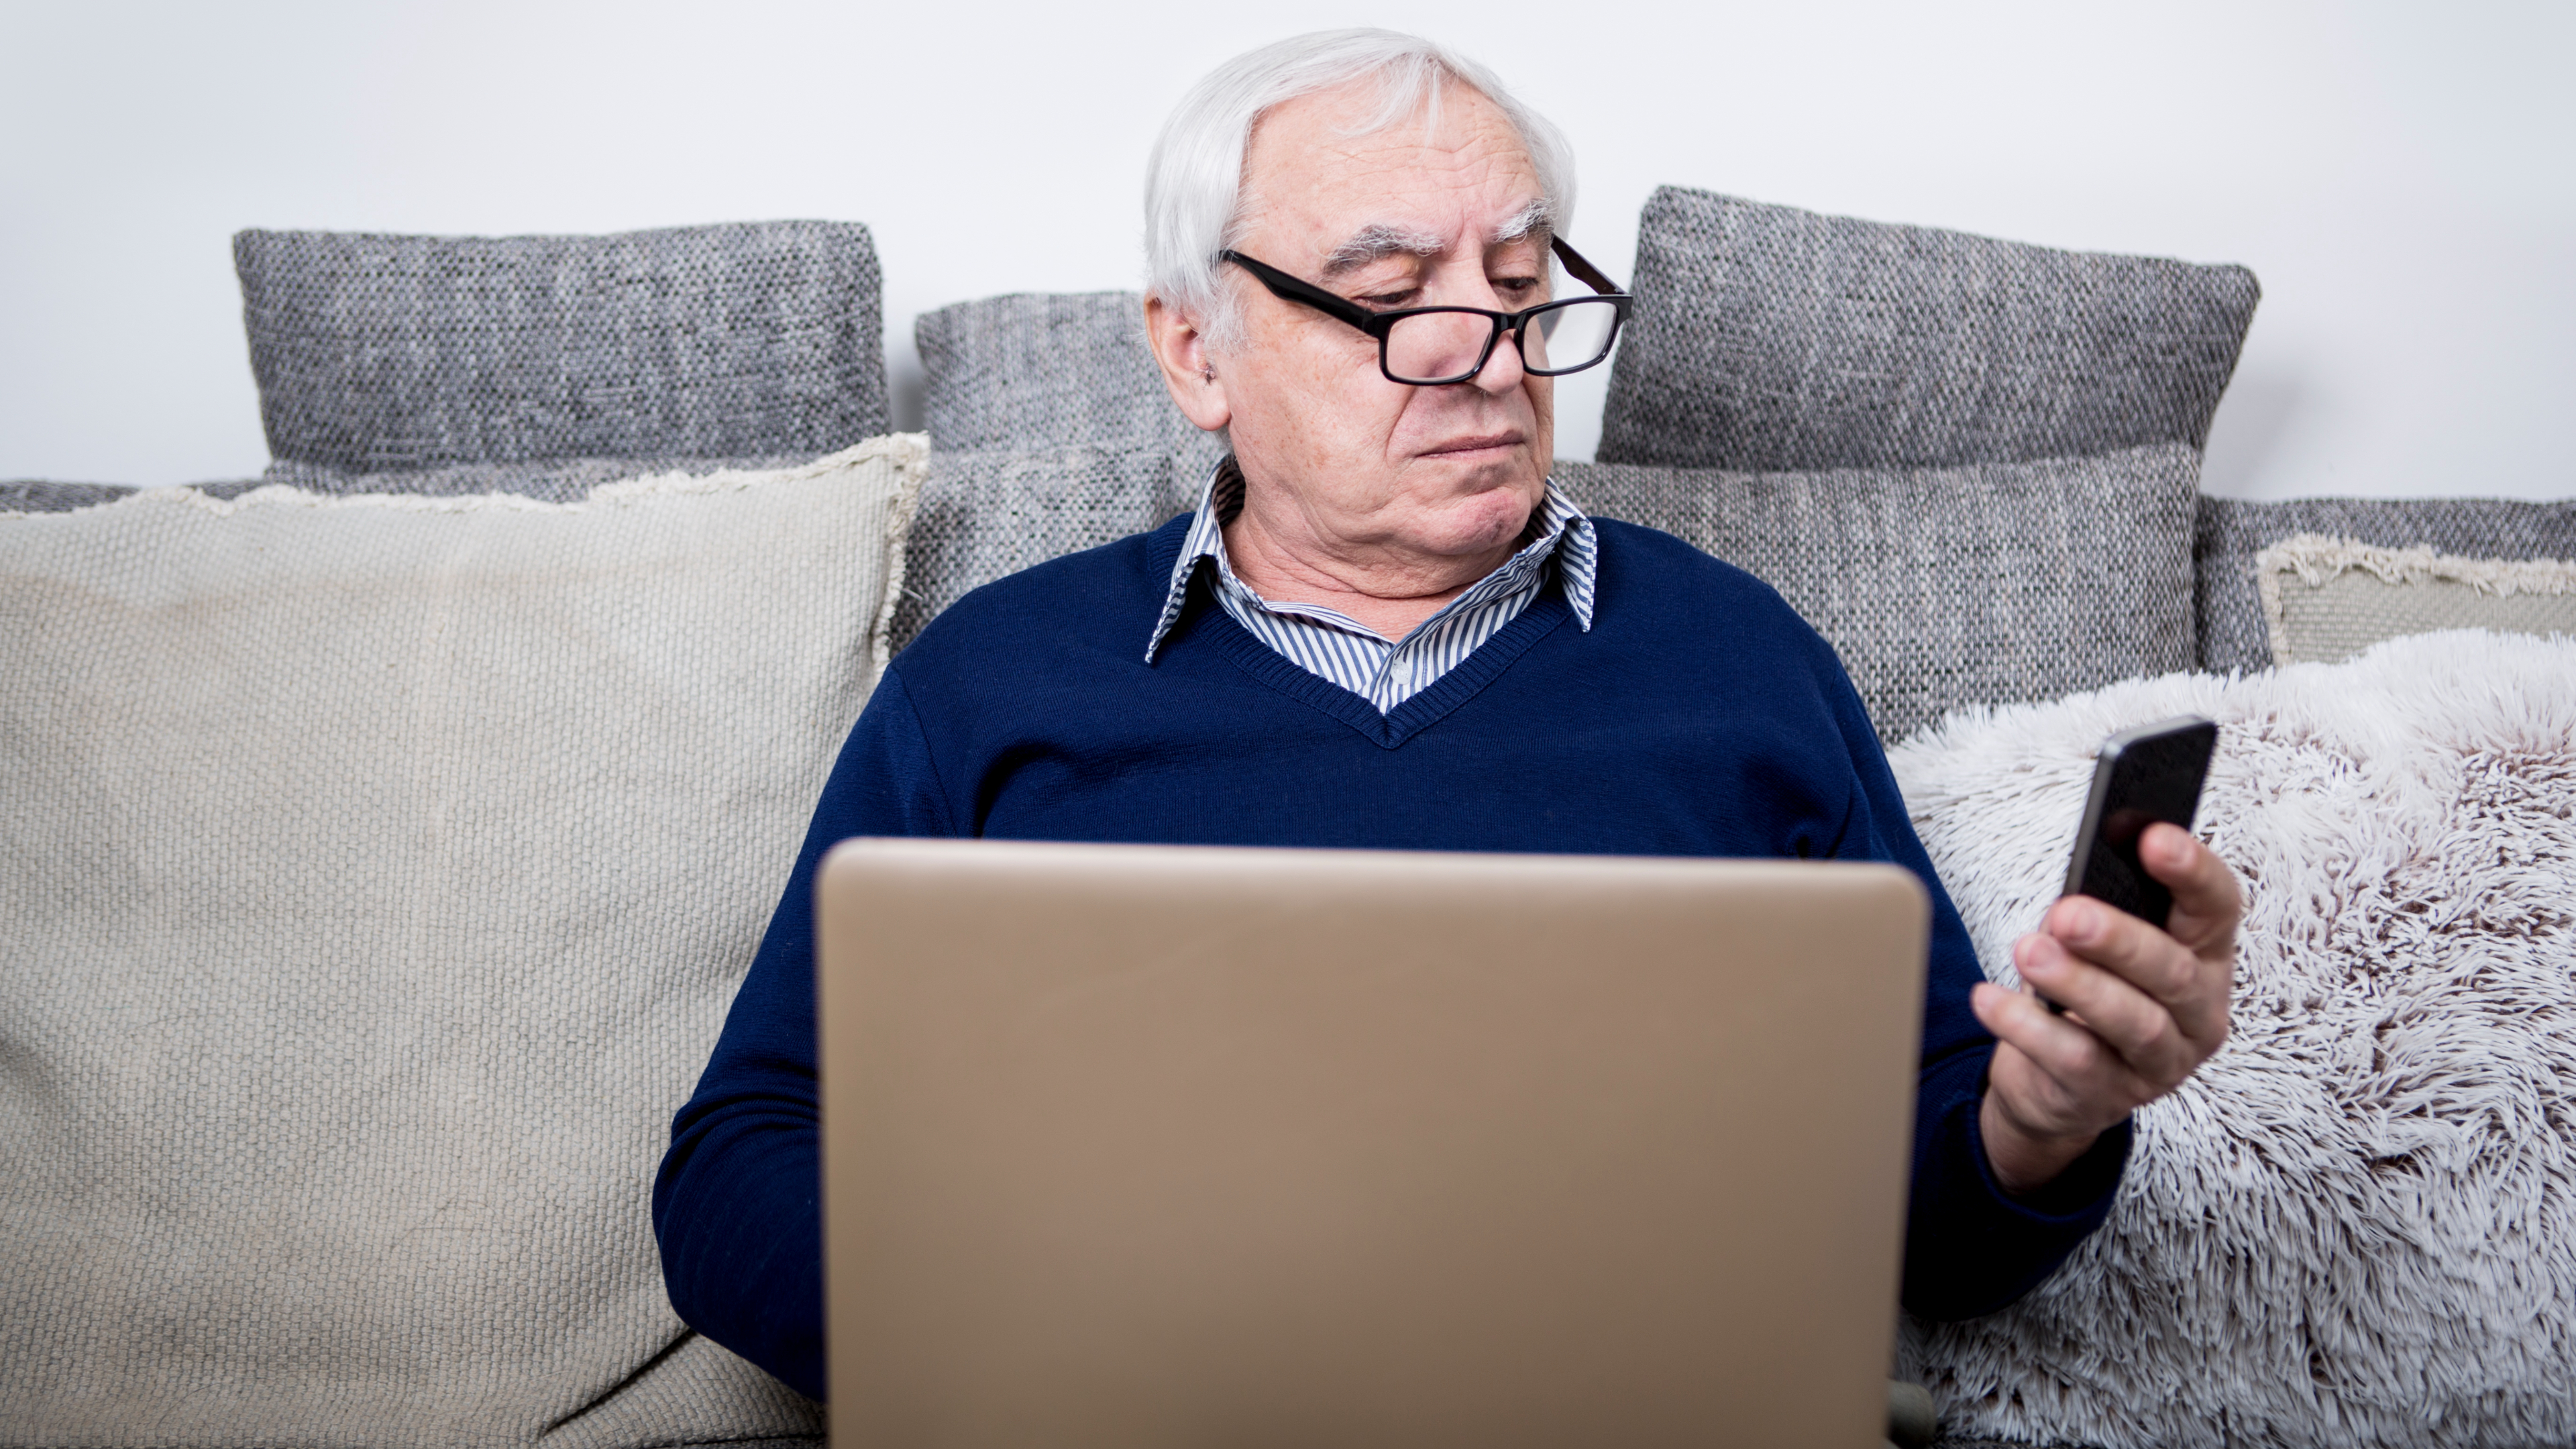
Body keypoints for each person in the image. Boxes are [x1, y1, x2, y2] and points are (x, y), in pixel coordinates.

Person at [653, 29, 2241, 1400]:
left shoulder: (1739, 661)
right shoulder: (995, 680)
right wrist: (1051, 1335)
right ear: (1197, 351)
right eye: (1395, 296)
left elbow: (1930, 1222)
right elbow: (739, 1169)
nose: (1490, 360)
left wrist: (2043, 1120)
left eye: (1521, 284)